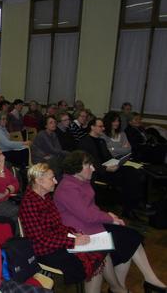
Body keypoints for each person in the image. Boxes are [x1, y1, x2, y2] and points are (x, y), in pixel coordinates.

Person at [55, 151, 167, 293]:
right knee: (128, 239)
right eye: (89, 165)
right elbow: (87, 215)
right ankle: (122, 288)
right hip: (79, 231)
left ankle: (140, 282)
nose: (93, 169)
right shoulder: (67, 188)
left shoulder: (81, 181)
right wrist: (110, 218)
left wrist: (108, 215)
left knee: (130, 238)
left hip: (89, 225)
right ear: (77, 168)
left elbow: (90, 209)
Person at [19, 163, 128, 292]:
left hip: (57, 241)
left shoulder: (45, 197)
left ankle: (117, 289)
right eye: (51, 178)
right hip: (45, 250)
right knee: (95, 260)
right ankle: (118, 289)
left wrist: (73, 234)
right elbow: (40, 238)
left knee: (101, 252)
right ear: (38, 181)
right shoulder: (29, 203)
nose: (55, 181)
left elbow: (58, 225)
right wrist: (73, 241)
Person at [78, 118, 146, 219]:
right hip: (97, 172)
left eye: (103, 126)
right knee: (129, 178)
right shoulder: (84, 142)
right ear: (92, 127)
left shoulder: (101, 141)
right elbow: (88, 162)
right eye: (100, 126)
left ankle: (132, 205)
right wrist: (105, 168)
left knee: (132, 171)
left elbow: (108, 157)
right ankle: (130, 207)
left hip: (109, 168)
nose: (103, 128)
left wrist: (117, 162)